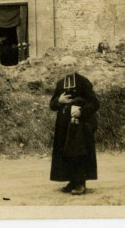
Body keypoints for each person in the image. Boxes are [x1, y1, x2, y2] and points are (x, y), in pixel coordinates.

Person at [49, 57, 100, 195]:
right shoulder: (60, 84)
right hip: (64, 125)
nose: (67, 67)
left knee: (79, 151)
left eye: (70, 64)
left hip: (81, 124)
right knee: (66, 152)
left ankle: (80, 183)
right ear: (61, 67)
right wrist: (59, 101)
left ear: (75, 65)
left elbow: (95, 103)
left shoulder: (83, 82)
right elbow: (52, 105)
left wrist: (81, 111)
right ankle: (72, 180)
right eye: (64, 65)